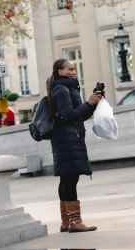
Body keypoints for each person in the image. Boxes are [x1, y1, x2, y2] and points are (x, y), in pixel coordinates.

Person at [48, 58, 102, 233]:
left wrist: (92, 105)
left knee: (67, 178)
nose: (73, 71)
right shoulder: (61, 89)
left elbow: (79, 115)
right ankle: (74, 222)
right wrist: (89, 103)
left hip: (68, 137)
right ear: (59, 71)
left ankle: (67, 222)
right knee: (70, 179)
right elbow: (68, 115)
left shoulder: (67, 88)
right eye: (69, 69)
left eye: (74, 69)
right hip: (67, 139)